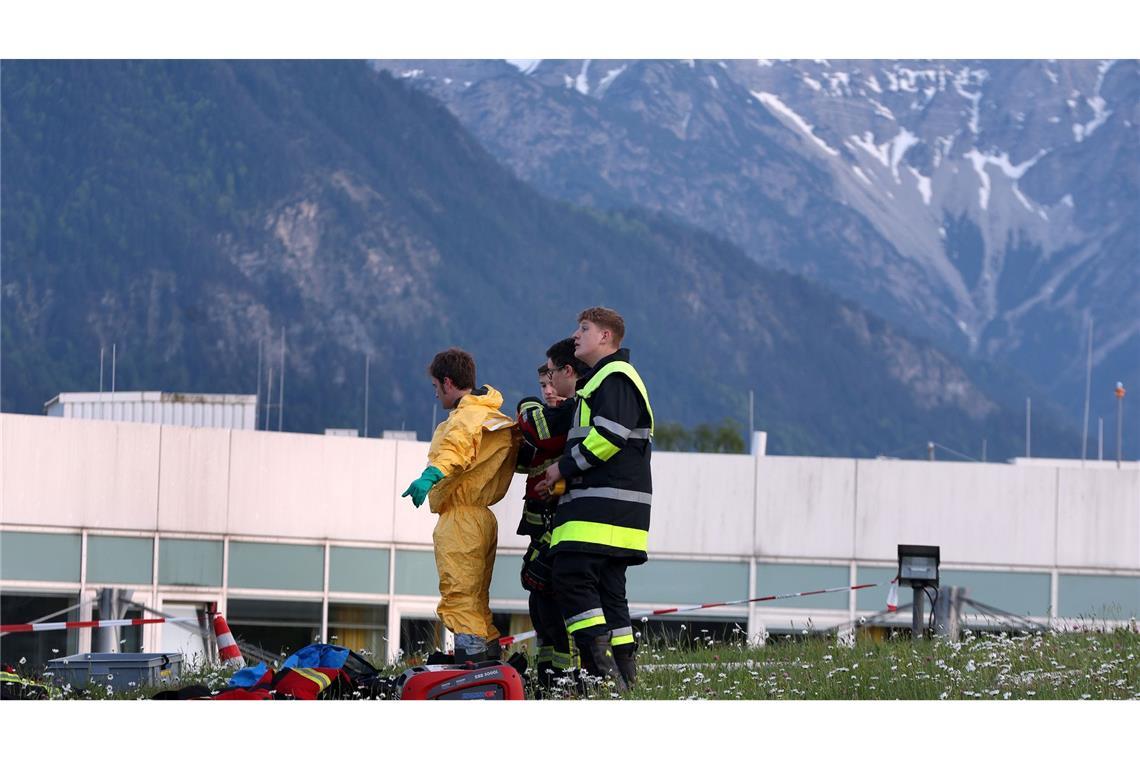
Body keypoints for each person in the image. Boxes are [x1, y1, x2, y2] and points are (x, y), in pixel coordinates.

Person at [538, 307, 654, 692]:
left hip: (600, 513)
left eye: (584, 328)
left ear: (605, 337)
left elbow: (610, 435)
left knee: (571, 577)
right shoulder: (598, 383)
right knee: (609, 594)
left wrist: (562, 470)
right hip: (615, 517)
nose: (576, 335)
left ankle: (599, 673)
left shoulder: (615, 377)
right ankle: (624, 681)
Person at [401, 348, 518, 662]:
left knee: (460, 596)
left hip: (461, 518)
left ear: (448, 382)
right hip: (481, 517)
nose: (436, 395)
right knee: (477, 599)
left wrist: (430, 476)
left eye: (436, 388)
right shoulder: (491, 414)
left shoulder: (467, 417)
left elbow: (455, 448)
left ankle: (471, 667)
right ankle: (489, 662)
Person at [513, 340, 588, 695]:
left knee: (555, 602)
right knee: (539, 603)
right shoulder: (546, 419)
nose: (547, 392)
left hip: (559, 527)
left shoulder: (565, 415)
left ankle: (562, 677)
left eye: (551, 383)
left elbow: (539, 433)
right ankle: (544, 672)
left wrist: (525, 405)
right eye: (542, 386)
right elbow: (524, 457)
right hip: (537, 525)